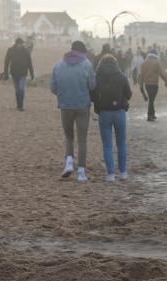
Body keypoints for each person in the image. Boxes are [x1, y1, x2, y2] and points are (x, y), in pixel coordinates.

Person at [50, 40, 96, 182]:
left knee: (68, 136)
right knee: (82, 139)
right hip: (83, 105)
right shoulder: (87, 64)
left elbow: (53, 87)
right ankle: (81, 172)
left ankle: (69, 162)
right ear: (83, 51)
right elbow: (92, 86)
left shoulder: (58, 65)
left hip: (65, 105)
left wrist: (63, 94)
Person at [91, 54, 132, 182]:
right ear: (115, 63)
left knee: (107, 146)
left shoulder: (96, 77)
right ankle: (123, 172)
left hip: (104, 113)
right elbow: (129, 94)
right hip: (119, 112)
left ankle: (110, 175)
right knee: (121, 143)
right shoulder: (121, 76)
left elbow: (92, 95)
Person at [3, 37, 34, 111]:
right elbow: (6, 62)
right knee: (17, 90)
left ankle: (21, 106)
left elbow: (29, 63)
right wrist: (6, 73)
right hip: (14, 73)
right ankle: (18, 105)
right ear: (16, 43)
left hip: (23, 73)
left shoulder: (26, 51)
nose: (19, 45)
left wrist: (32, 74)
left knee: (21, 89)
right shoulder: (10, 50)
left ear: (22, 44)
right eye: (18, 44)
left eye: (21, 44)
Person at [140, 49, 167, 122]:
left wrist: (141, 85)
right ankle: (149, 115)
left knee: (151, 99)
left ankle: (153, 114)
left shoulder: (144, 63)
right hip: (154, 84)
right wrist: (166, 82)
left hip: (147, 84)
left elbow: (141, 75)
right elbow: (161, 74)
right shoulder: (157, 62)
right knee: (151, 100)